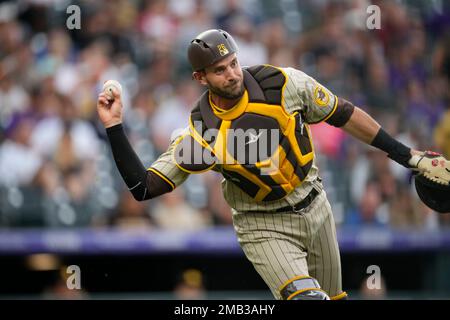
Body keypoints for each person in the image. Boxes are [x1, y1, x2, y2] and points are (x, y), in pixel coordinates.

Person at [97, 29, 442, 300]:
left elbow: (344, 114)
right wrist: (114, 126)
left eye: (233, 63)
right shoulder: (201, 134)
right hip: (262, 222)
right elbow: (144, 187)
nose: (232, 74)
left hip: (316, 204)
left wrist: (408, 157)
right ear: (200, 78)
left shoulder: (283, 83)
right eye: (219, 70)